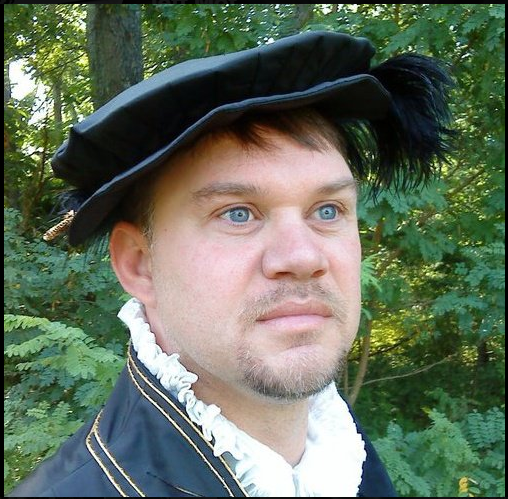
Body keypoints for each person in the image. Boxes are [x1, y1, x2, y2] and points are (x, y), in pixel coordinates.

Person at [10, 30, 455, 497]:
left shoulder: (345, 459)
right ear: (140, 265)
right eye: (237, 214)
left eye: (328, 210)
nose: (303, 257)